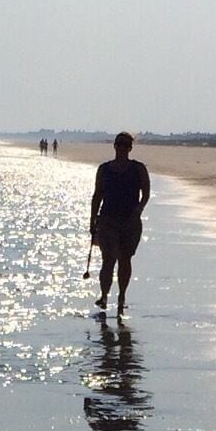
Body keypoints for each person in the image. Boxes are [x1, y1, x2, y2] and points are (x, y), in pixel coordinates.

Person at [89, 131, 150, 312]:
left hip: (130, 221)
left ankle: (122, 296)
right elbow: (97, 195)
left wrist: (139, 210)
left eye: (125, 145)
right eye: (119, 144)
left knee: (125, 259)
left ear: (130, 148)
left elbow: (146, 193)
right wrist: (92, 221)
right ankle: (104, 296)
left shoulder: (138, 168)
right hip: (107, 220)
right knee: (108, 259)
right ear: (114, 146)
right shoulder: (104, 169)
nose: (122, 147)